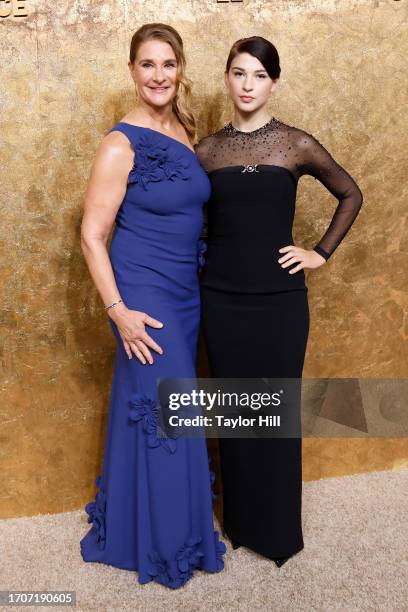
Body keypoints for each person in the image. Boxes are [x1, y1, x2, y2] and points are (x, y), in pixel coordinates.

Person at [195, 36, 363, 567]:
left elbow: (351, 193)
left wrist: (320, 253)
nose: (248, 85)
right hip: (220, 298)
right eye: (239, 74)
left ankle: (277, 530)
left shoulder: (295, 143)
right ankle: (241, 523)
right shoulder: (205, 150)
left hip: (280, 301)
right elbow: (188, 221)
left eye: (259, 76)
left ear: (273, 82)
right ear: (227, 77)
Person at [79, 23, 226, 589]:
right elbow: (92, 234)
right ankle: (165, 546)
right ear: (132, 71)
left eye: (168, 64)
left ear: (180, 69)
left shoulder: (186, 131)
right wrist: (117, 309)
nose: (159, 76)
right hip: (143, 296)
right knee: (168, 414)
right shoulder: (120, 143)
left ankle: (163, 526)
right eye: (147, 65)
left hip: (185, 292)